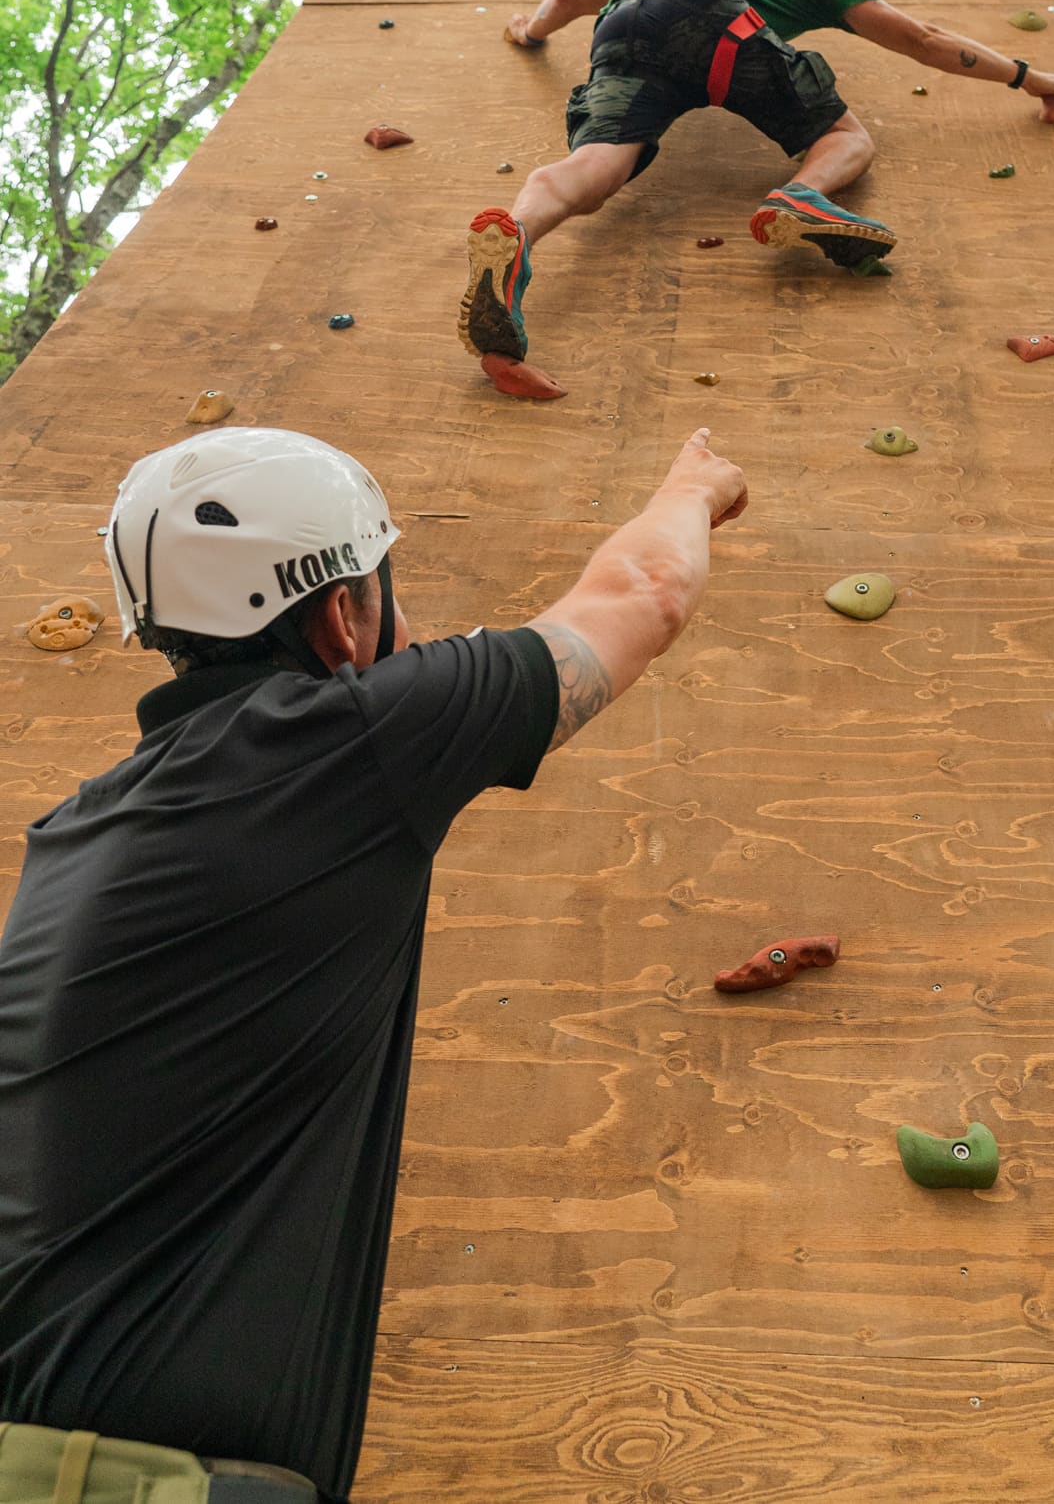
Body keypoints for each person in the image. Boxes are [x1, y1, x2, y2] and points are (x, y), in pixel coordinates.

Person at [0, 423, 747, 1504]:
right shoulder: (336, 749)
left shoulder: (76, 830)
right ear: (341, 615)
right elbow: (646, 590)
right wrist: (695, 480)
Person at [457, 0, 1054, 400]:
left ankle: (519, 238)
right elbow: (925, 41)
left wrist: (527, 32)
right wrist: (1032, 78)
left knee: (596, 169)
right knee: (847, 137)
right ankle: (800, 194)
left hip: (622, 28)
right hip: (717, 22)